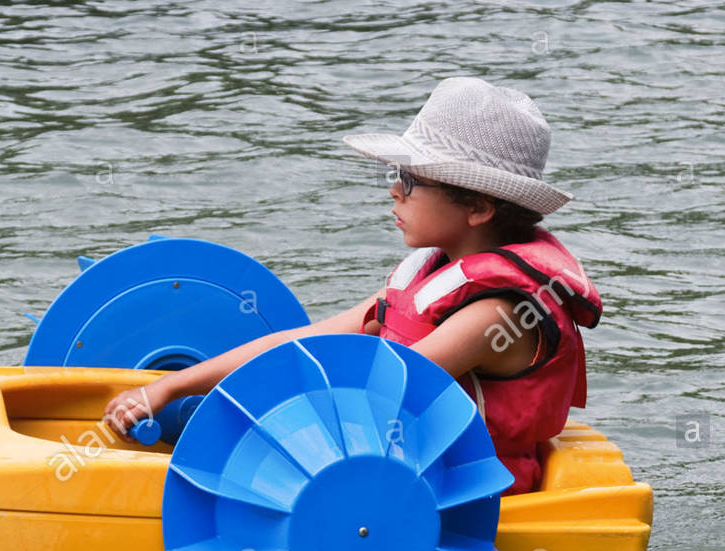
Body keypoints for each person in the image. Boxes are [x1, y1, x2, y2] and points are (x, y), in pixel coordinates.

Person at [102, 77, 601, 495]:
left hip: (457, 496)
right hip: (401, 470)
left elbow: (376, 391)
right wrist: (170, 385)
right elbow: (310, 341)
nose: (392, 189)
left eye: (408, 179)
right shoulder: (433, 278)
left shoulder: (497, 314)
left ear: (477, 207)